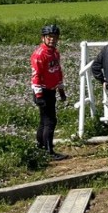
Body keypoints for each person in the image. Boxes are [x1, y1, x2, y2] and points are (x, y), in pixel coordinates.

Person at [30, 22, 68, 160]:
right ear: (43, 38)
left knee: (44, 121)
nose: (52, 39)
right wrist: (39, 95)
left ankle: (40, 147)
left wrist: (61, 90)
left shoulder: (55, 53)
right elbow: (36, 76)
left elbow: (57, 72)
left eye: (54, 36)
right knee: (50, 121)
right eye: (49, 36)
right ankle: (49, 151)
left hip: (51, 90)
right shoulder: (39, 55)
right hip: (43, 91)